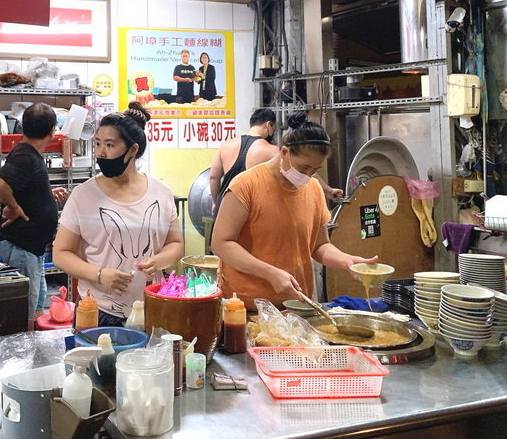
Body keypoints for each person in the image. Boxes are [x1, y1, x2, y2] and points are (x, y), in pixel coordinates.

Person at [211, 112, 376, 309]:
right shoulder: (245, 186)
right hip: (247, 306)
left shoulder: (313, 188)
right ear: (284, 153)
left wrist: (347, 260)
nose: (308, 175)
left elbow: (319, 246)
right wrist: (270, 273)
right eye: (304, 167)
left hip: (297, 304)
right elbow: (221, 244)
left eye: (315, 170)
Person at [53, 102, 184, 326]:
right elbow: (61, 253)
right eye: (98, 144)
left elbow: (176, 244)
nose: (101, 153)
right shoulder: (83, 195)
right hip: (98, 311)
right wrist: (100, 274)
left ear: (132, 150)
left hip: (152, 307)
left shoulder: (160, 192)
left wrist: (159, 261)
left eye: (110, 145)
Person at [0, 103, 68, 328]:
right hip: (20, 247)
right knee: (23, 311)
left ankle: (31, 352)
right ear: (53, 130)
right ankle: (23, 356)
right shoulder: (26, 156)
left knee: (35, 305)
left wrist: (45, 194)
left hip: (30, 249)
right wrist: (13, 207)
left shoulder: (28, 153)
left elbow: (20, 186)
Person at [209, 109, 344, 213]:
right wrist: (328, 190)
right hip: (250, 210)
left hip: (223, 206)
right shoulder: (270, 150)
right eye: (273, 128)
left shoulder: (226, 145)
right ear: (269, 125)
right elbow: (302, 169)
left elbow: (213, 177)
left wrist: (216, 203)